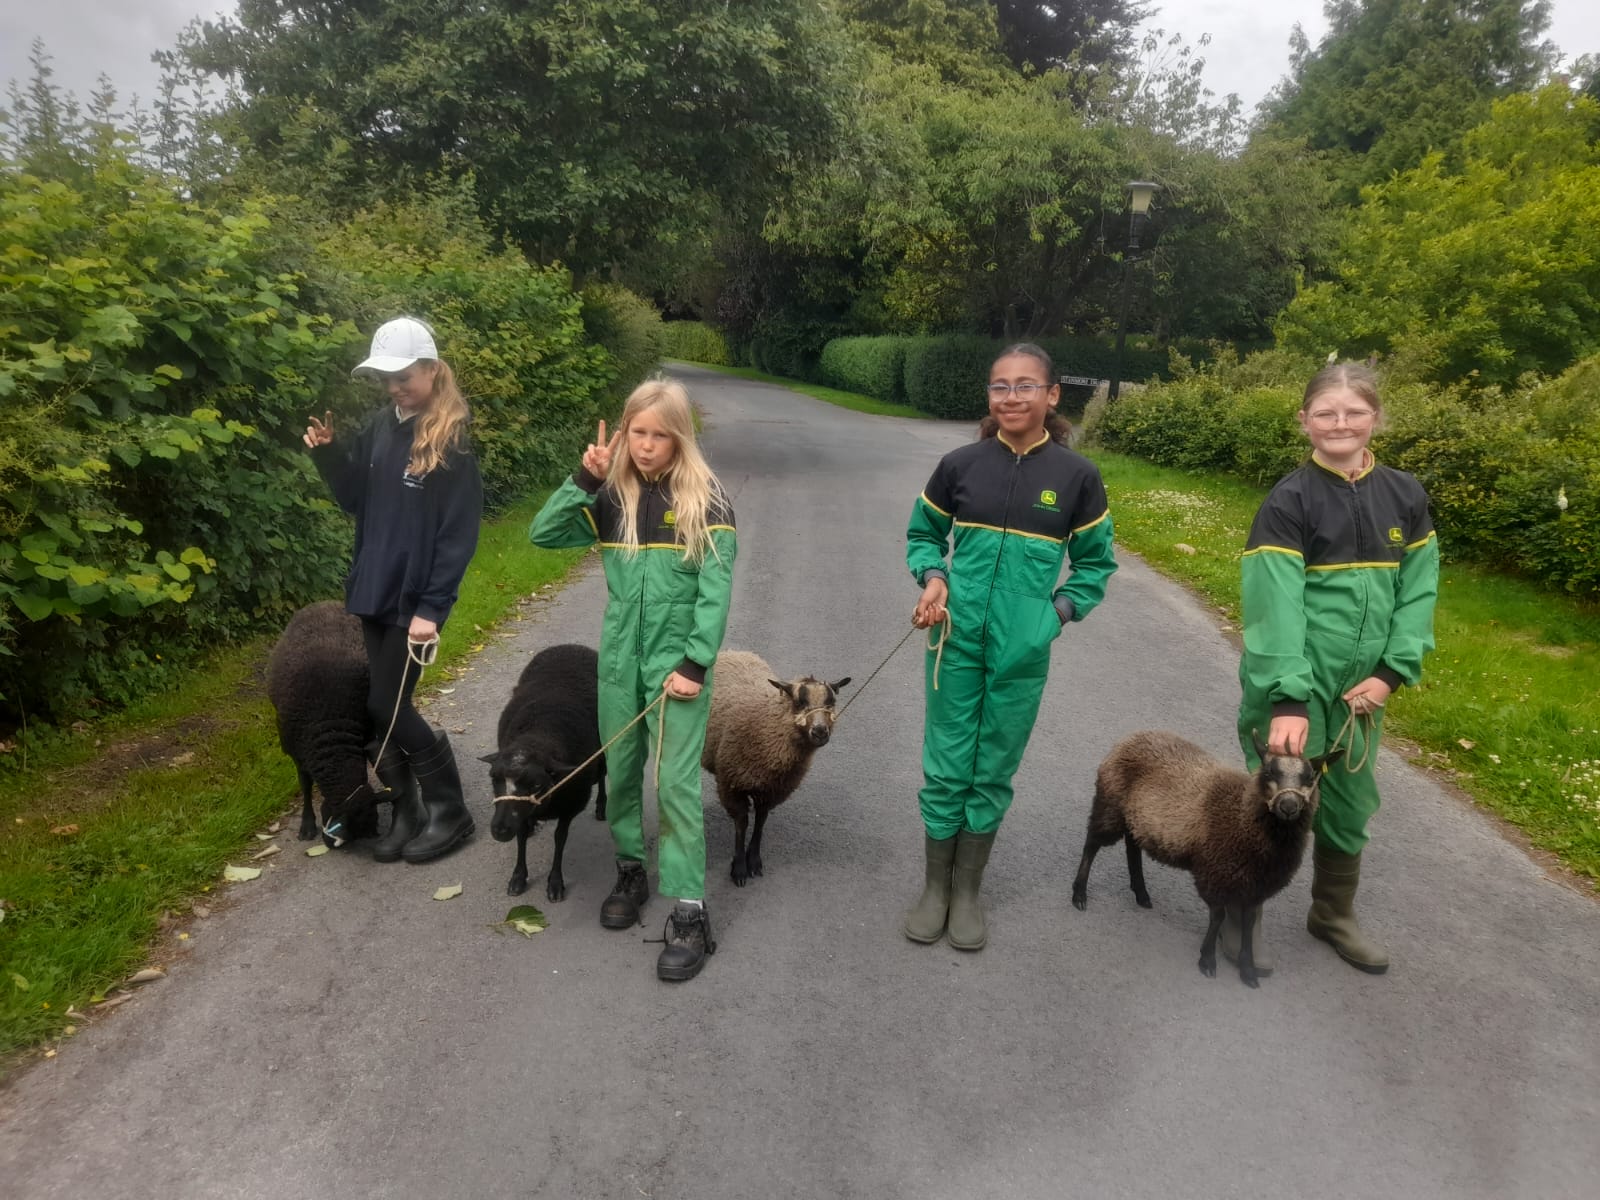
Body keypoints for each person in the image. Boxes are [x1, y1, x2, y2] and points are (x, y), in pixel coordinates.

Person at [904, 343, 1118, 950]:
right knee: (946, 760)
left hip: (1023, 648)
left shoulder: (1077, 478)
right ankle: (935, 889)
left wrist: (1054, 616)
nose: (1012, 397)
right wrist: (934, 578)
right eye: (1001, 386)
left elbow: (1095, 565)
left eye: (1026, 386)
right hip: (953, 634)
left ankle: (968, 891)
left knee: (994, 764)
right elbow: (924, 535)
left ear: (1052, 397)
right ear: (989, 396)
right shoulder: (960, 465)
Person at [529, 378, 736, 983]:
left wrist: (696, 663)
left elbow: (715, 592)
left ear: (680, 436)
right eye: (638, 433)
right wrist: (586, 479)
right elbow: (543, 533)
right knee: (619, 771)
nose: (647, 447)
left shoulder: (708, 499)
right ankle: (630, 868)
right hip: (620, 659)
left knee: (673, 782)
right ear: (624, 432)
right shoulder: (609, 497)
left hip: (678, 666)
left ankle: (690, 909)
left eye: (660, 435)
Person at [1235, 361, 1438, 975]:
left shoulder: (1406, 496)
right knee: (1274, 800)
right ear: (1305, 422)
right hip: (1295, 688)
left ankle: (1332, 915)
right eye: (1326, 412)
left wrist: (1392, 673)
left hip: (1361, 694)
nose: (1340, 423)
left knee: (1349, 804)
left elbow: (1419, 593)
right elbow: (1274, 607)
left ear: (1376, 418)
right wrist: (1288, 698)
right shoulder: (1288, 501)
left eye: (1353, 412)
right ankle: (1242, 915)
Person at [304, 316, 483, 863]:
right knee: (382, 706)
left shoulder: (451, 440)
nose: (395, 387)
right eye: (386, 378)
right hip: (374, 587)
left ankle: (451, 812)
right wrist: (330, 455)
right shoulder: (381, 427)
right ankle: (408, 812)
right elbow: (357, 498)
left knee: (388, 702)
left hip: (414, 600)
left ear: (432, 369)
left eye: (405, 375)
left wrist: (433, 607)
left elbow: (459, 535)